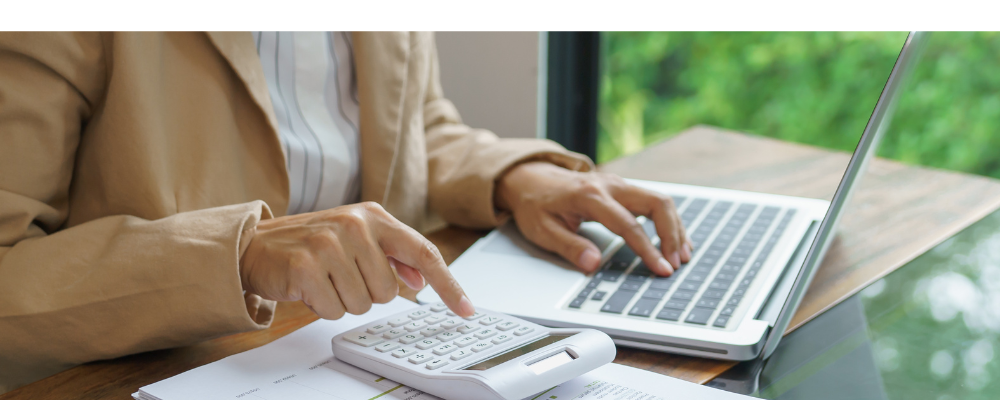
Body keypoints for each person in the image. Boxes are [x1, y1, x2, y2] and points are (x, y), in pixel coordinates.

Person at [0, 32, 691, 392]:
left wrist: (516, 176)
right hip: (156, 371)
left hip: (365, 347)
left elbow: (418, 127)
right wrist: (239, 253)